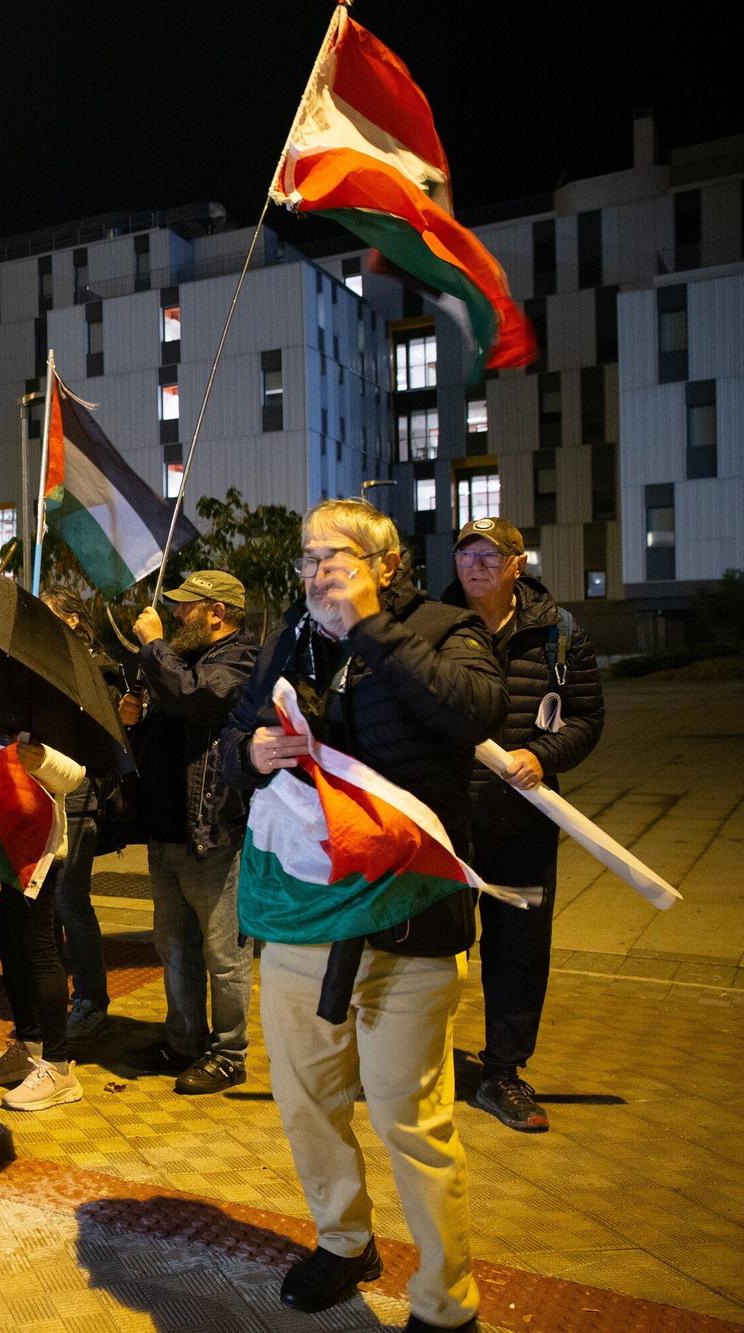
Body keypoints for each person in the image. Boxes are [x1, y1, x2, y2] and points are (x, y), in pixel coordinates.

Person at [222, 499, 501, 1333]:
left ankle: (447, 1301)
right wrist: (252, 752)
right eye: (307, 559)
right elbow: (234, 736)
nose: (315, 573)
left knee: (408, 1116)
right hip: (308, 919)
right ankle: (344, 1240)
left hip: (410, 922)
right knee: (306, 1098)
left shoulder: (446, 628)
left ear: (385, 564)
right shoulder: (288, 640)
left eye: (334, 556)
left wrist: (374, 628)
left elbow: (475, 713)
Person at [443, 516, 604, 1133]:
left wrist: (545, 756)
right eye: (466, 555)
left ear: (518, 564)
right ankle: (417, 1061)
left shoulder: (559, 635)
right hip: (448, 818)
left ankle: (502, 1072)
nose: (475, 566)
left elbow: (586, 717)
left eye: (490, 555)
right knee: (432, 951)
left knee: (518, 951)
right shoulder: (433, 628)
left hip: (524, 821)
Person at [121, 570, 260, 1096]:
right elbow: (169, 720)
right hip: (167, 832)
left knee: (224, 954)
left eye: (187, 607)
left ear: (217, 612)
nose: (177, 615)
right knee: (174, 945)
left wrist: (154, 643)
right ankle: (182, 1040)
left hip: (213, 833)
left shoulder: (241, 659)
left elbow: (194, 699)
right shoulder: (189, 661)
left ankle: (229, 1053)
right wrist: (135, 719)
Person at [0, 733, 89, 1112]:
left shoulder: (43, 710)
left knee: (39, 952)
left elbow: (75, 775)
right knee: (9, 950)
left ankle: (58, 1067)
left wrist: (39, 757)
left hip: (33, 847)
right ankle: (29, 1044)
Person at [39, 588, 112, 1047]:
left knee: (70, 899)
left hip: (80, 789)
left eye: (45, 615)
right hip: (42, 784)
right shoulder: (41, 662)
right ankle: (55, 994)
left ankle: (90, 999)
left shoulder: (94, 667)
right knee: (44, 901)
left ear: (70, 620)